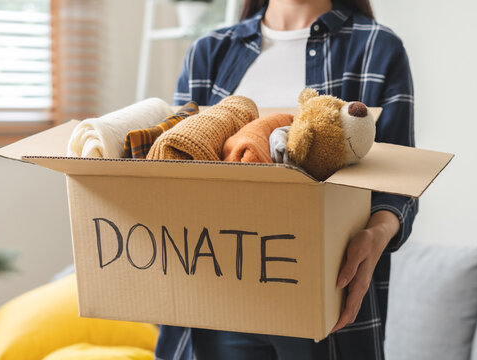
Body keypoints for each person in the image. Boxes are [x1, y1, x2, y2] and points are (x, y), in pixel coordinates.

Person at [156, 0, 418, 359]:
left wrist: (376, 235)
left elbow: (399, 184)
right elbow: (172, 163)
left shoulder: (377, 48)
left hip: (325, 297)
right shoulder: (209, 52)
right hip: (215, 297)